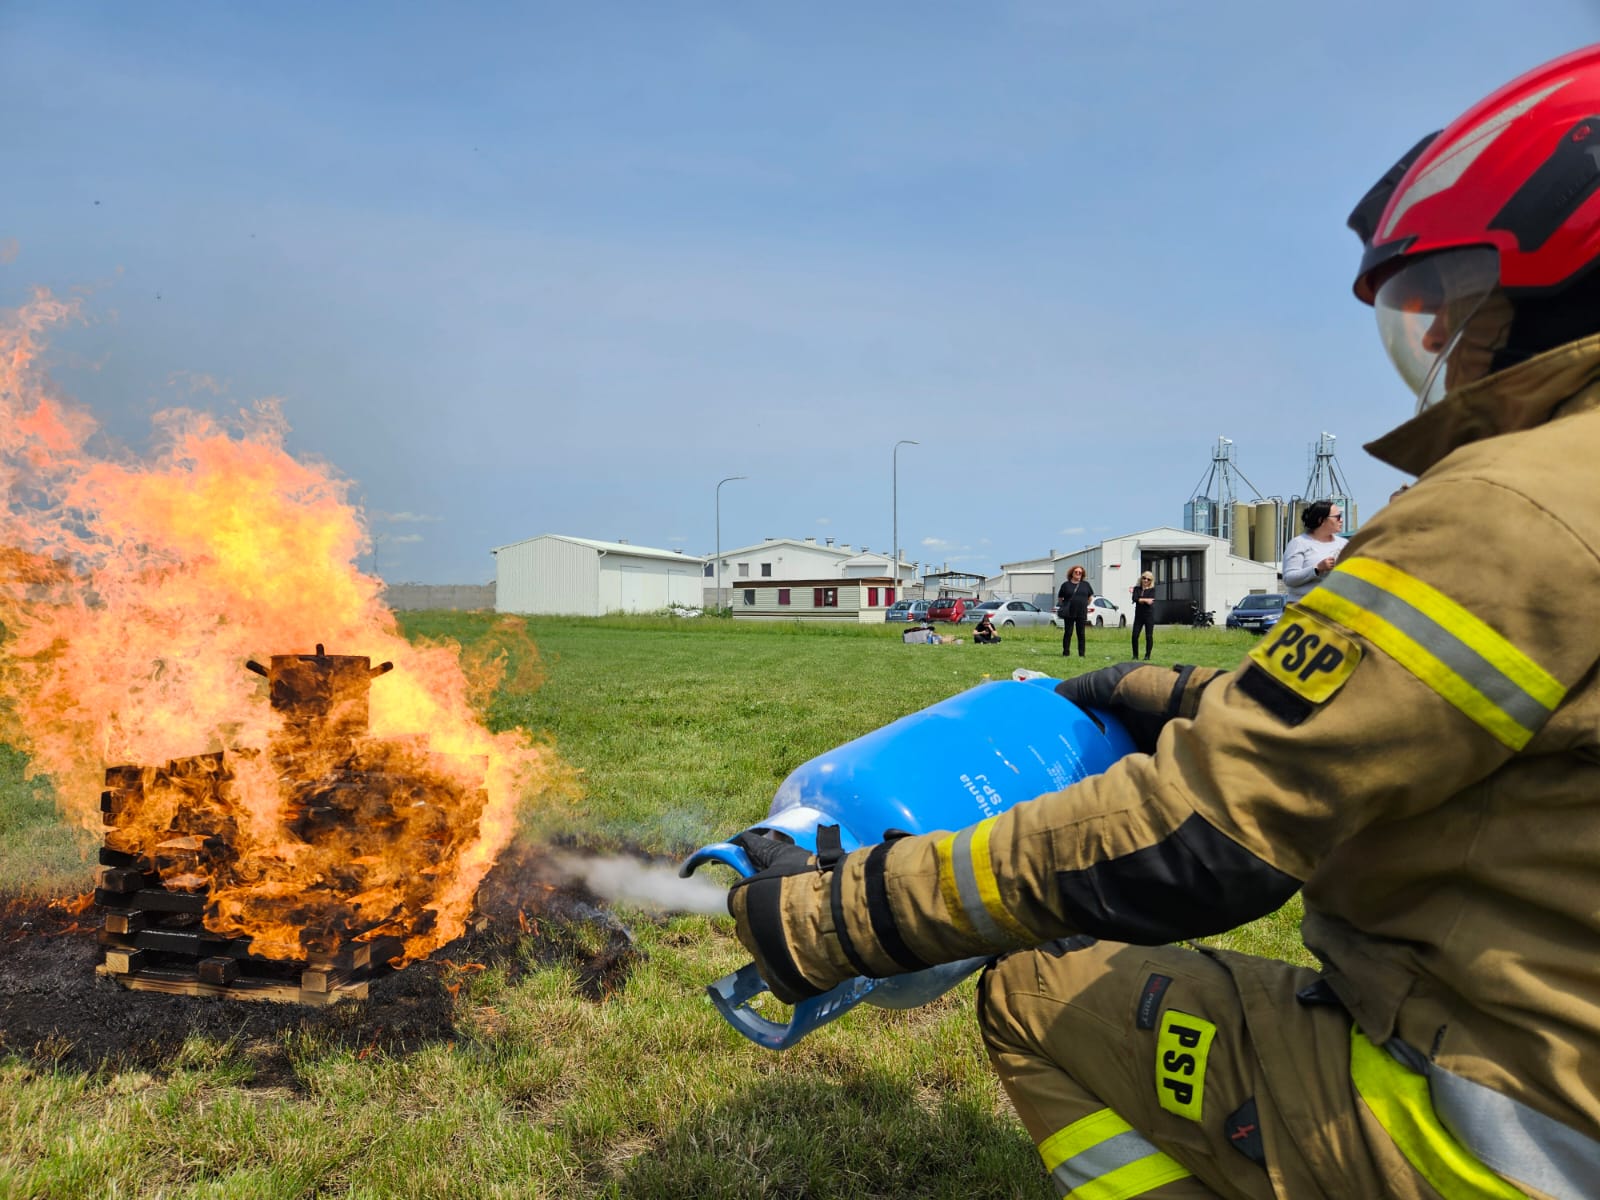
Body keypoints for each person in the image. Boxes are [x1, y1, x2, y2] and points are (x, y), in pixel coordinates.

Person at [726, 45, 1600, 1198]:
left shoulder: (1513, 508)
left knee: (1038, 998)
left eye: (1454, 300)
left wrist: (854, 917)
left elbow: (1205, 842)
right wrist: (1198, 697)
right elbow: (1493, 729)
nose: (1436, 343)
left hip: (1515, 1129)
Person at [1281, 500, 1349, 602]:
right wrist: (1317, 569)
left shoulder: (1344, 544)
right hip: (1304, 608)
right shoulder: (1299, 543)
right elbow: (1289, 579)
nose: (1341, 520)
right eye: (1337, 517)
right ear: (1321, 520)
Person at [1056, 566, 1092, 657]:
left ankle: (1082, 654)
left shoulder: (1086, 585)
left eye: (1080, 572)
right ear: (1072, 573)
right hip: (1069, 612)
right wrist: (1065, 605)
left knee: (1081, 634)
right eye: (1076, 572)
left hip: (1081, 612)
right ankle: (1066, 653)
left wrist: (1084, 605)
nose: (1078, 573)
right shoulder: (1065, 585)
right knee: (1068, 633)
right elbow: (1060, 599)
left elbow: (1090, 598)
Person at [1130, 570, 1156, 660]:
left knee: (1148, 636)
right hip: (1138, 616)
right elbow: (1134, 598)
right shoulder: (1137, 589)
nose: (1145, 580)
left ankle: (1147, 655)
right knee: (1134, 635)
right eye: (1144, 578)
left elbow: (1151, 601)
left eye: (1148, 579)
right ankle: (1135, 655)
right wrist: (1144, 600)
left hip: (1149, 615)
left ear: (1151, 581)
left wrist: (1140, 599)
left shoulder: (1152, 590)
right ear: (1141, 579)